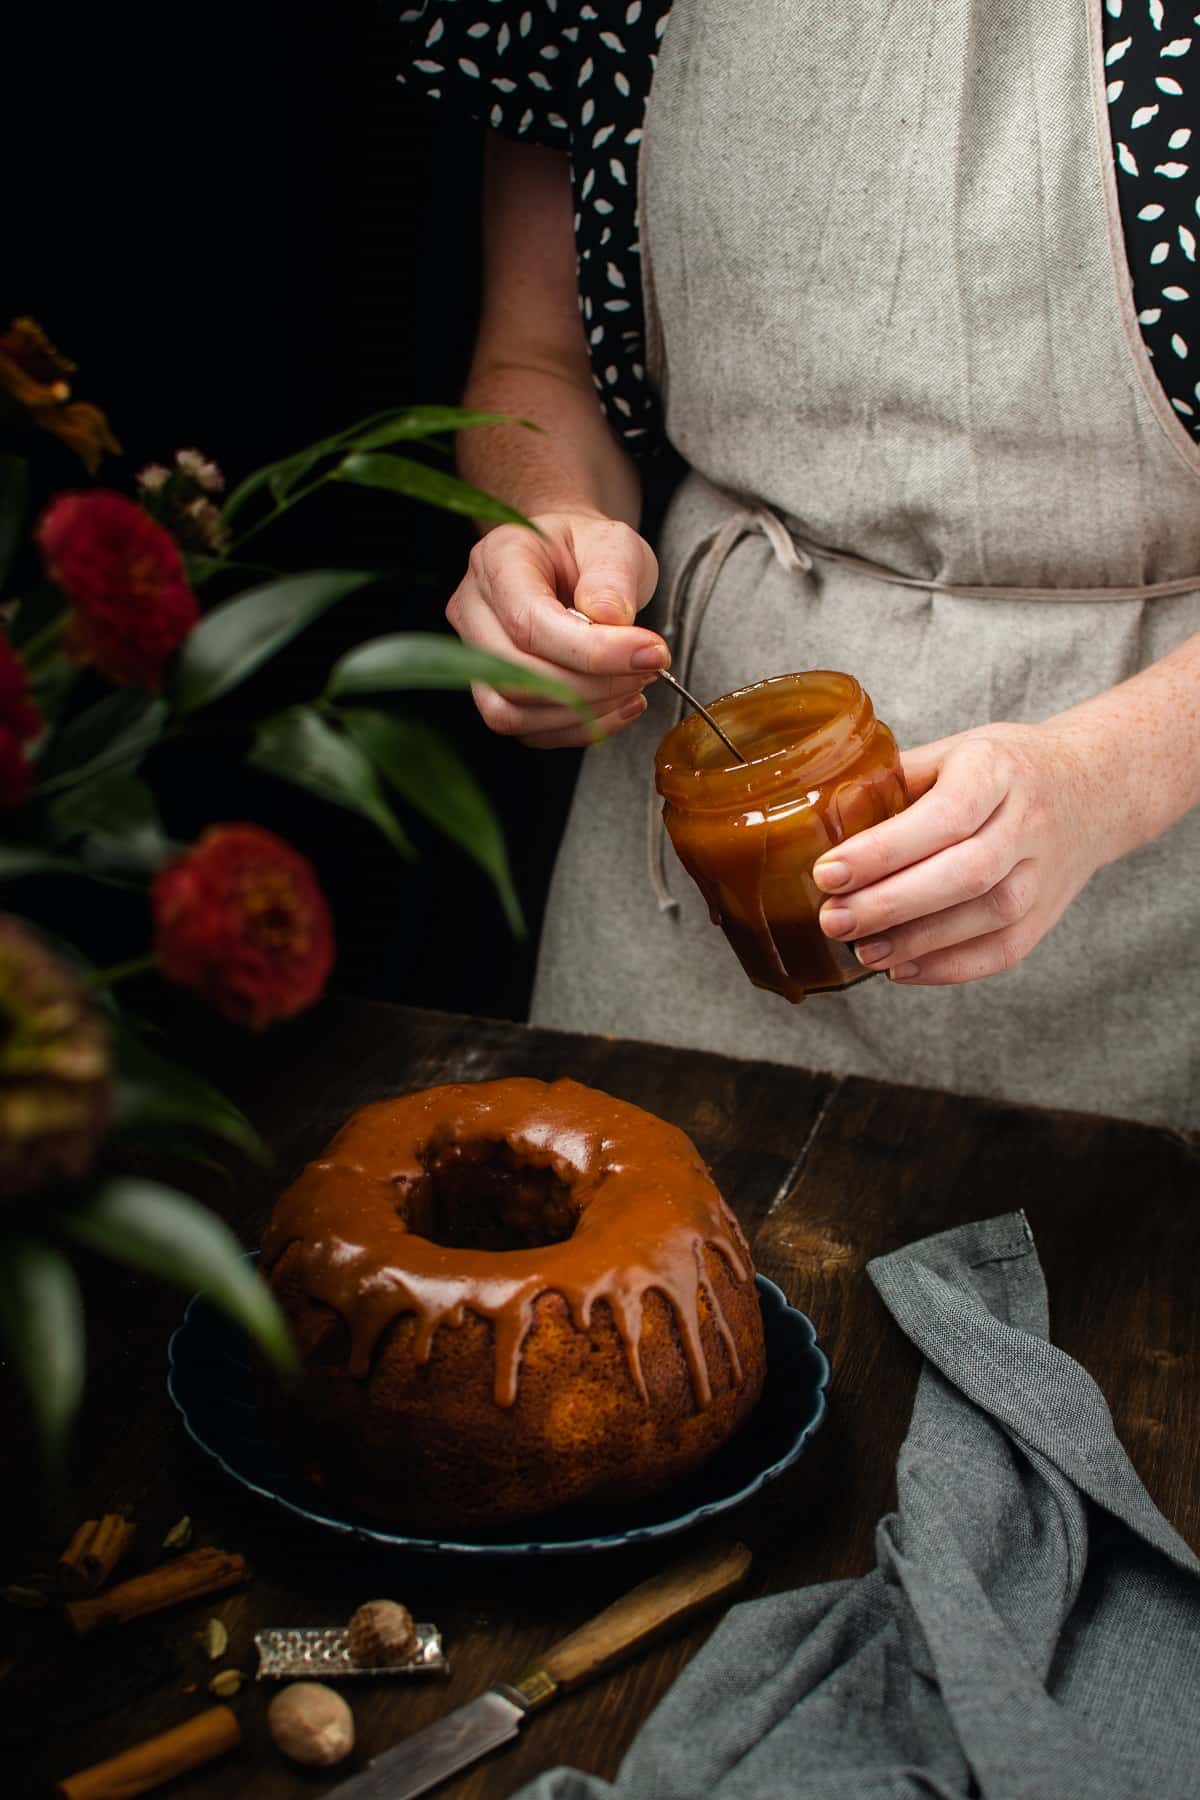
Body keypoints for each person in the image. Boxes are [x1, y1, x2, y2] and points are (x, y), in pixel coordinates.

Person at [400, 1, 1200, 1129]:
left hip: (1164, 883)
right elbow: (538, 358)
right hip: (685, 920)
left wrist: (1105, 779)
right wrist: (546, 522)